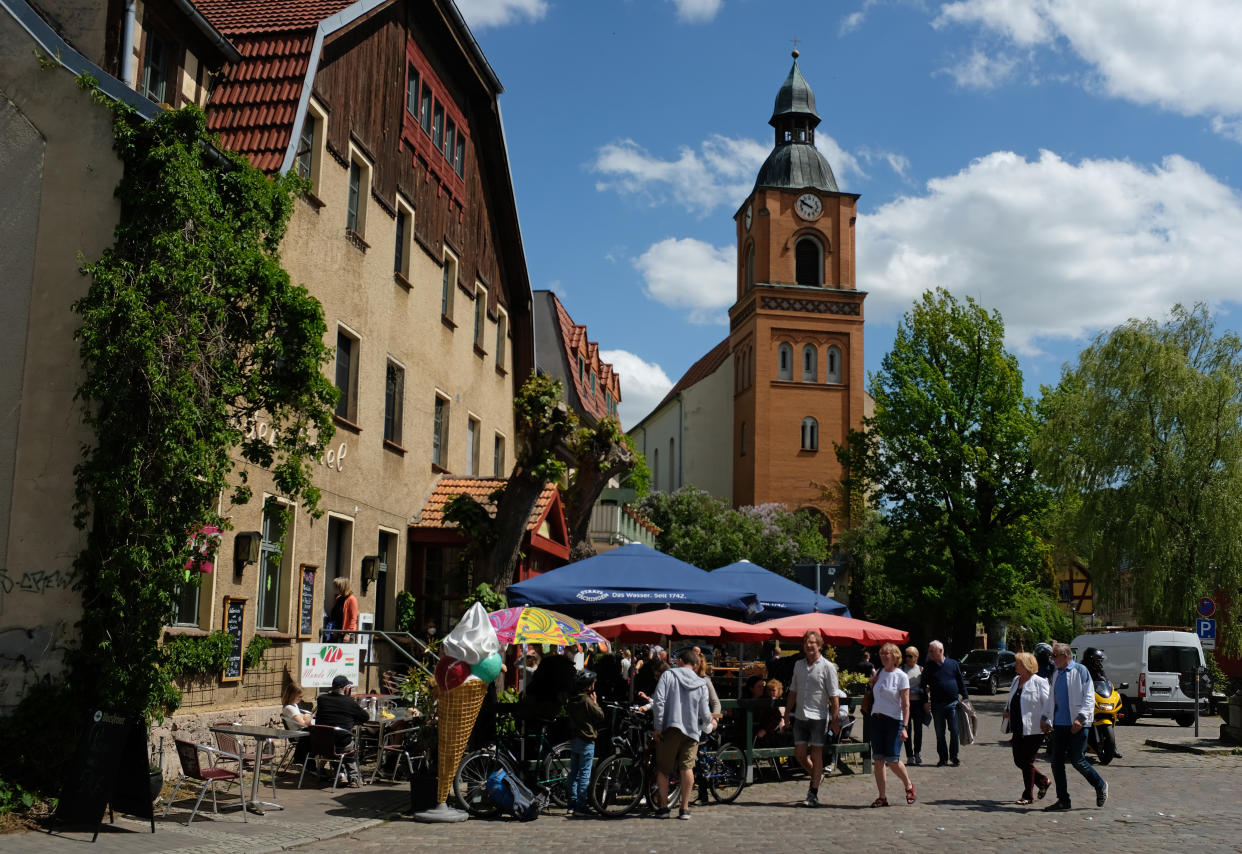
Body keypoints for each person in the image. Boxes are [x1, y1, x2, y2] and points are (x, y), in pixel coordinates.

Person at [1040, 642, 1108, 811]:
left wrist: (1082, 717)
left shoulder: (1080, 670)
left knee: (1078, 760)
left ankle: (1100, 785)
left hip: (1078, 723)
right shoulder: (1056, 673)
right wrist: (1045, 718)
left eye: (1054, 656)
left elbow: (1089, 696)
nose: (1052, 659)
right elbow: (1051, 698)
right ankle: (1063, 800)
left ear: (1065, 656)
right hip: (1060, 724)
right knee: (1056, 762)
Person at [651, 648, 712, 820]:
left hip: (671, 727)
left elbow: (659, 702)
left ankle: (664, 808)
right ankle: (684, 808)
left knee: (663, 769)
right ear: (695, 664)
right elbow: (705, 712)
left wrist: (658, 726)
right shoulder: (701, 683)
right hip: (692, 731)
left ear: (679, 661)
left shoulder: (668, 676)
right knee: (687, 767)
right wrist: (709, 724)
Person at [783, 630, 840, 808]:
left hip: (819, 717)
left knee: (816, 755)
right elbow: (793, 691)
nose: (809, 645)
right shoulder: (798, 665)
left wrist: (834, 719)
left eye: (813, 643)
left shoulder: (827, 667)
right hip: (800, 715)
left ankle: (813, 793)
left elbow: (834, 696)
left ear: (820, 646)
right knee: (799, 754)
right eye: (807, 642)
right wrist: (786, 713)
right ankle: (818, 775)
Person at [866, 643, 915, 807]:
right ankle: (882, 796)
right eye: (882, 654)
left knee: (893, 759)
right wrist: (872, 683)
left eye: (888, 654)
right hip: (876, 719)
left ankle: (908, 784)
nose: (884, 656)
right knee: (878, 759)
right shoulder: (879, 673)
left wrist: (905, 727)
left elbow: (906, 704)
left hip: (894, 721)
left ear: (895, 656)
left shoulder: (901, 676)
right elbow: (875, 693)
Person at [1002, 651, 1052, 805]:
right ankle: (1043, 780)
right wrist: (1007, 709)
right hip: (1018, 727)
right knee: (1019, 760)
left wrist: (1047, 721)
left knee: (1027, 761)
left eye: (1018, 663)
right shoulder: (1016, 680)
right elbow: (1012, 698)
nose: (1015, 665)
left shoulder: (1040, 682)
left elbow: (1049, 704)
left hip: (1034, 728)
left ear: (1026, 665)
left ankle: (1027, 795)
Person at [313, 675, 369, 787]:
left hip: (323, 744)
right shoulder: (349, 702)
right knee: (348, 749)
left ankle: (341, 775)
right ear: (346, 689)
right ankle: (353, 777)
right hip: (342, 743)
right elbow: (365, 717)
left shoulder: (322, 699)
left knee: (334, 748)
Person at [922, 640, 968, 767]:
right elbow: (923, 685)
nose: (930, 653)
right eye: (929, 650)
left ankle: (954, 756)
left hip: (953, 703)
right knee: (939, 733)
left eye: (932, 651)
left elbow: (960, 681)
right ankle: (943, 757)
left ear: (941, 651)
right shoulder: (929, 666)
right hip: (937, 705)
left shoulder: (953, 664)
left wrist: (966, 697)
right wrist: (925, 701)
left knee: (954, 730)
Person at [565, 669, 603, 817]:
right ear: (588, 686)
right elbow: (600, 715)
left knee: (573, 773)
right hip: (587, 740)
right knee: (584, 774)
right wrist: (595, 702)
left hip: (575, 739)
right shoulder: (586, 700)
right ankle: (582, 805)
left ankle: (572, 804)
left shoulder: (572, 699)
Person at [901, 646, 925, 766]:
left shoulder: (921, 670)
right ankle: (909, 755)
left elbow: (925, 687)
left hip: (918, 703)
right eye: (906, 656)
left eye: (910, 656)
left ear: (916, 657)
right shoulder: (902, 669)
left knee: (918, 730)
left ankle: (917, 753)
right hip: (905, 704)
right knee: (907, 729)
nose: (907, 658)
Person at [280, 682, 313, 766]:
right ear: (292, 695)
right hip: (298, 735)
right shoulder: (290, 708)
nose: (301, 699)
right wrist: (311, 716)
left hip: (301, 732)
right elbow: (304, 724)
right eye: (299, 697)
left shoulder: (294, 705)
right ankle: (310, 764)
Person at [328, 577, 358, 643]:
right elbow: (335, 615)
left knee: (346, 652)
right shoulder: (338, 598)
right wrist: (334, 630)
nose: (336, 588)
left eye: (337, 586)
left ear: (343, 587)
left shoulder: (352, 599)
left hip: (347, 633)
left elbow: (353, 618)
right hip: (338, 632)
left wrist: (348, 633)